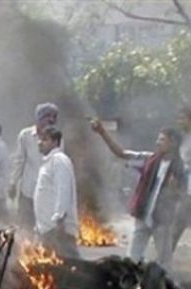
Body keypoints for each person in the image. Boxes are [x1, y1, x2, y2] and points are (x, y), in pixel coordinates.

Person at [91, 119, 187, 270]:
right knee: (131, 260)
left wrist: (175, 191)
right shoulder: (149, 159)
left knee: (164, 263)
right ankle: (130, 288)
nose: (157, 142)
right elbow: (121, 153)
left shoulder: (181, 170)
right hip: (143, 216)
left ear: (173, 143)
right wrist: (102, 133)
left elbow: (183, 197)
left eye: (162, 139)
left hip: (162, 223)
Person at [10, 103, 60, 233]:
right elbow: (19, 161)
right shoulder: (25, 135)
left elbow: (58, 163)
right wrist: (13, 183)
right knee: (25, 226)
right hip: (28, 190)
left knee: (44, 228)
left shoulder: (56, 138)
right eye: (47, 116)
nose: (51, 120)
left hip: (47, 192)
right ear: (38, 118)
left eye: (54, 116)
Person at [33, 127, 79, 258]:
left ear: (55, 142)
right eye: (40, 139)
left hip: (58, 228)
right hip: (47, 228)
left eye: (45, 139)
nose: (40, 143)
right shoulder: (48, 162)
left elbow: (63, 189)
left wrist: (59, 218)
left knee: (71, 265)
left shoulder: (59, 160)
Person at [174, 106, 191, 249]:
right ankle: (164, 258)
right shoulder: (185, 139)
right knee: (177, 223)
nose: (179, 122)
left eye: (182, 118)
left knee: (178, 222)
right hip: (185, 188)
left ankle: (163, 259)